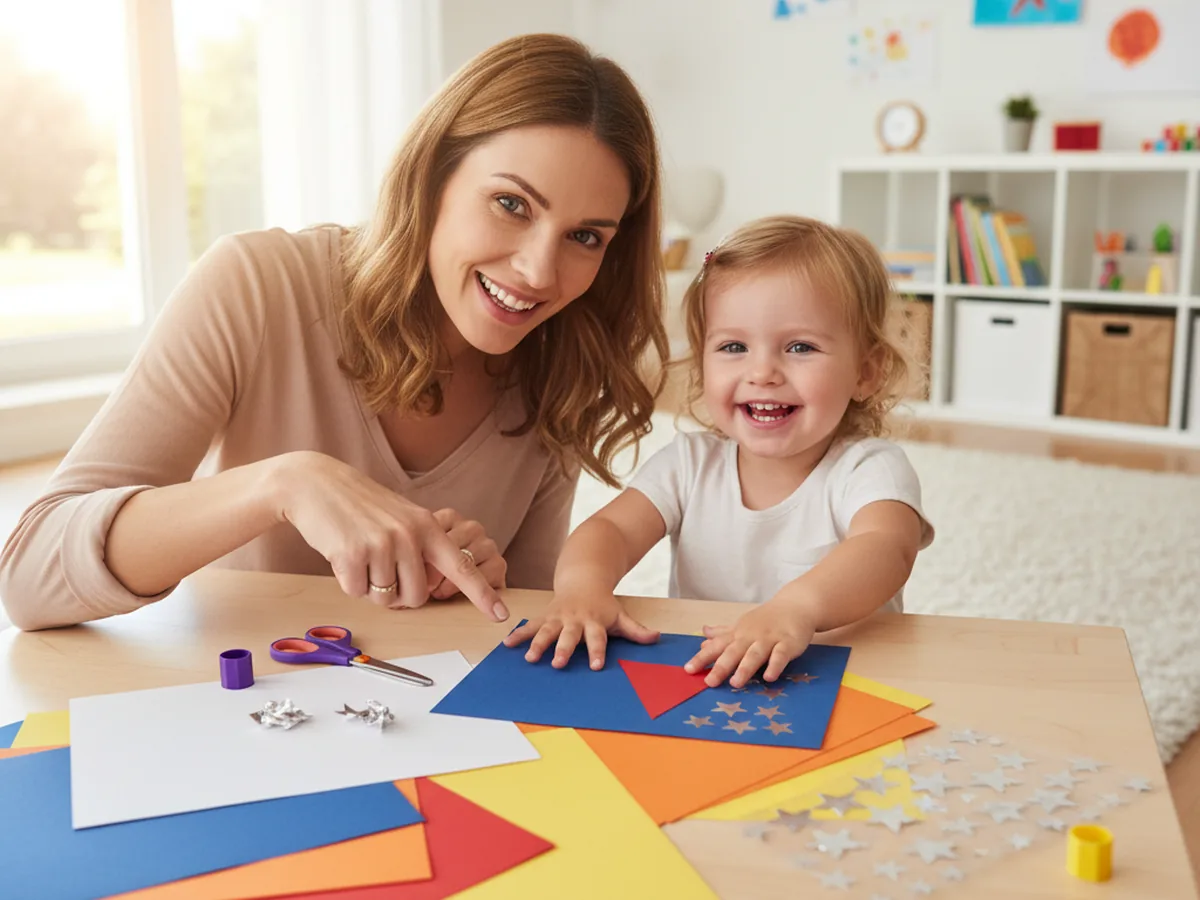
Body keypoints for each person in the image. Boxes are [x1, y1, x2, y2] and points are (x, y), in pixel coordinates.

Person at [0, 34, 668, 632]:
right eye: (510, 204)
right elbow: (29, 578)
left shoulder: (564, 362)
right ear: (432, 177)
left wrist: (471, 582)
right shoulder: (257, 284)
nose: (538, 271)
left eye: (585, 237)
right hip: (225, 708)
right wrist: (284, 485)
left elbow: (513, 630)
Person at [505, 216, 934, 688]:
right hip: (709, 675)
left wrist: (795, 610)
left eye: (799, 347)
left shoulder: (871, 468)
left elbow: (886, 548)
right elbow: (610, 530)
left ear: (866, 372)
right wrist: (581, 588)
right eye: (733, 346)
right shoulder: (690, 463)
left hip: (848, 677)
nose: (763, 372)